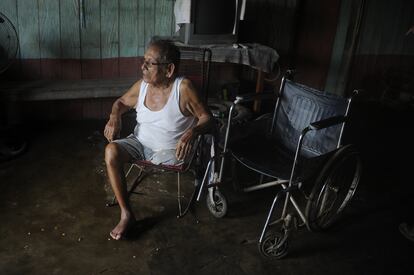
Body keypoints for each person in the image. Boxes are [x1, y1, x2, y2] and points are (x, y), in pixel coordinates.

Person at [103, 39, 212, 240]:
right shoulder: (142, 86)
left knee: (177, 153)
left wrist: (192, 133)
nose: (142, 67)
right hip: (140, 143)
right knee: (111, 151)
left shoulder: (184, 88)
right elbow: (120, 102)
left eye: (149, 63)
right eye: (143, 61)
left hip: (170, 153)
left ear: (169, 69)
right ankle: (126, 213)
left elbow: (207, 118)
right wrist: (114, 116)